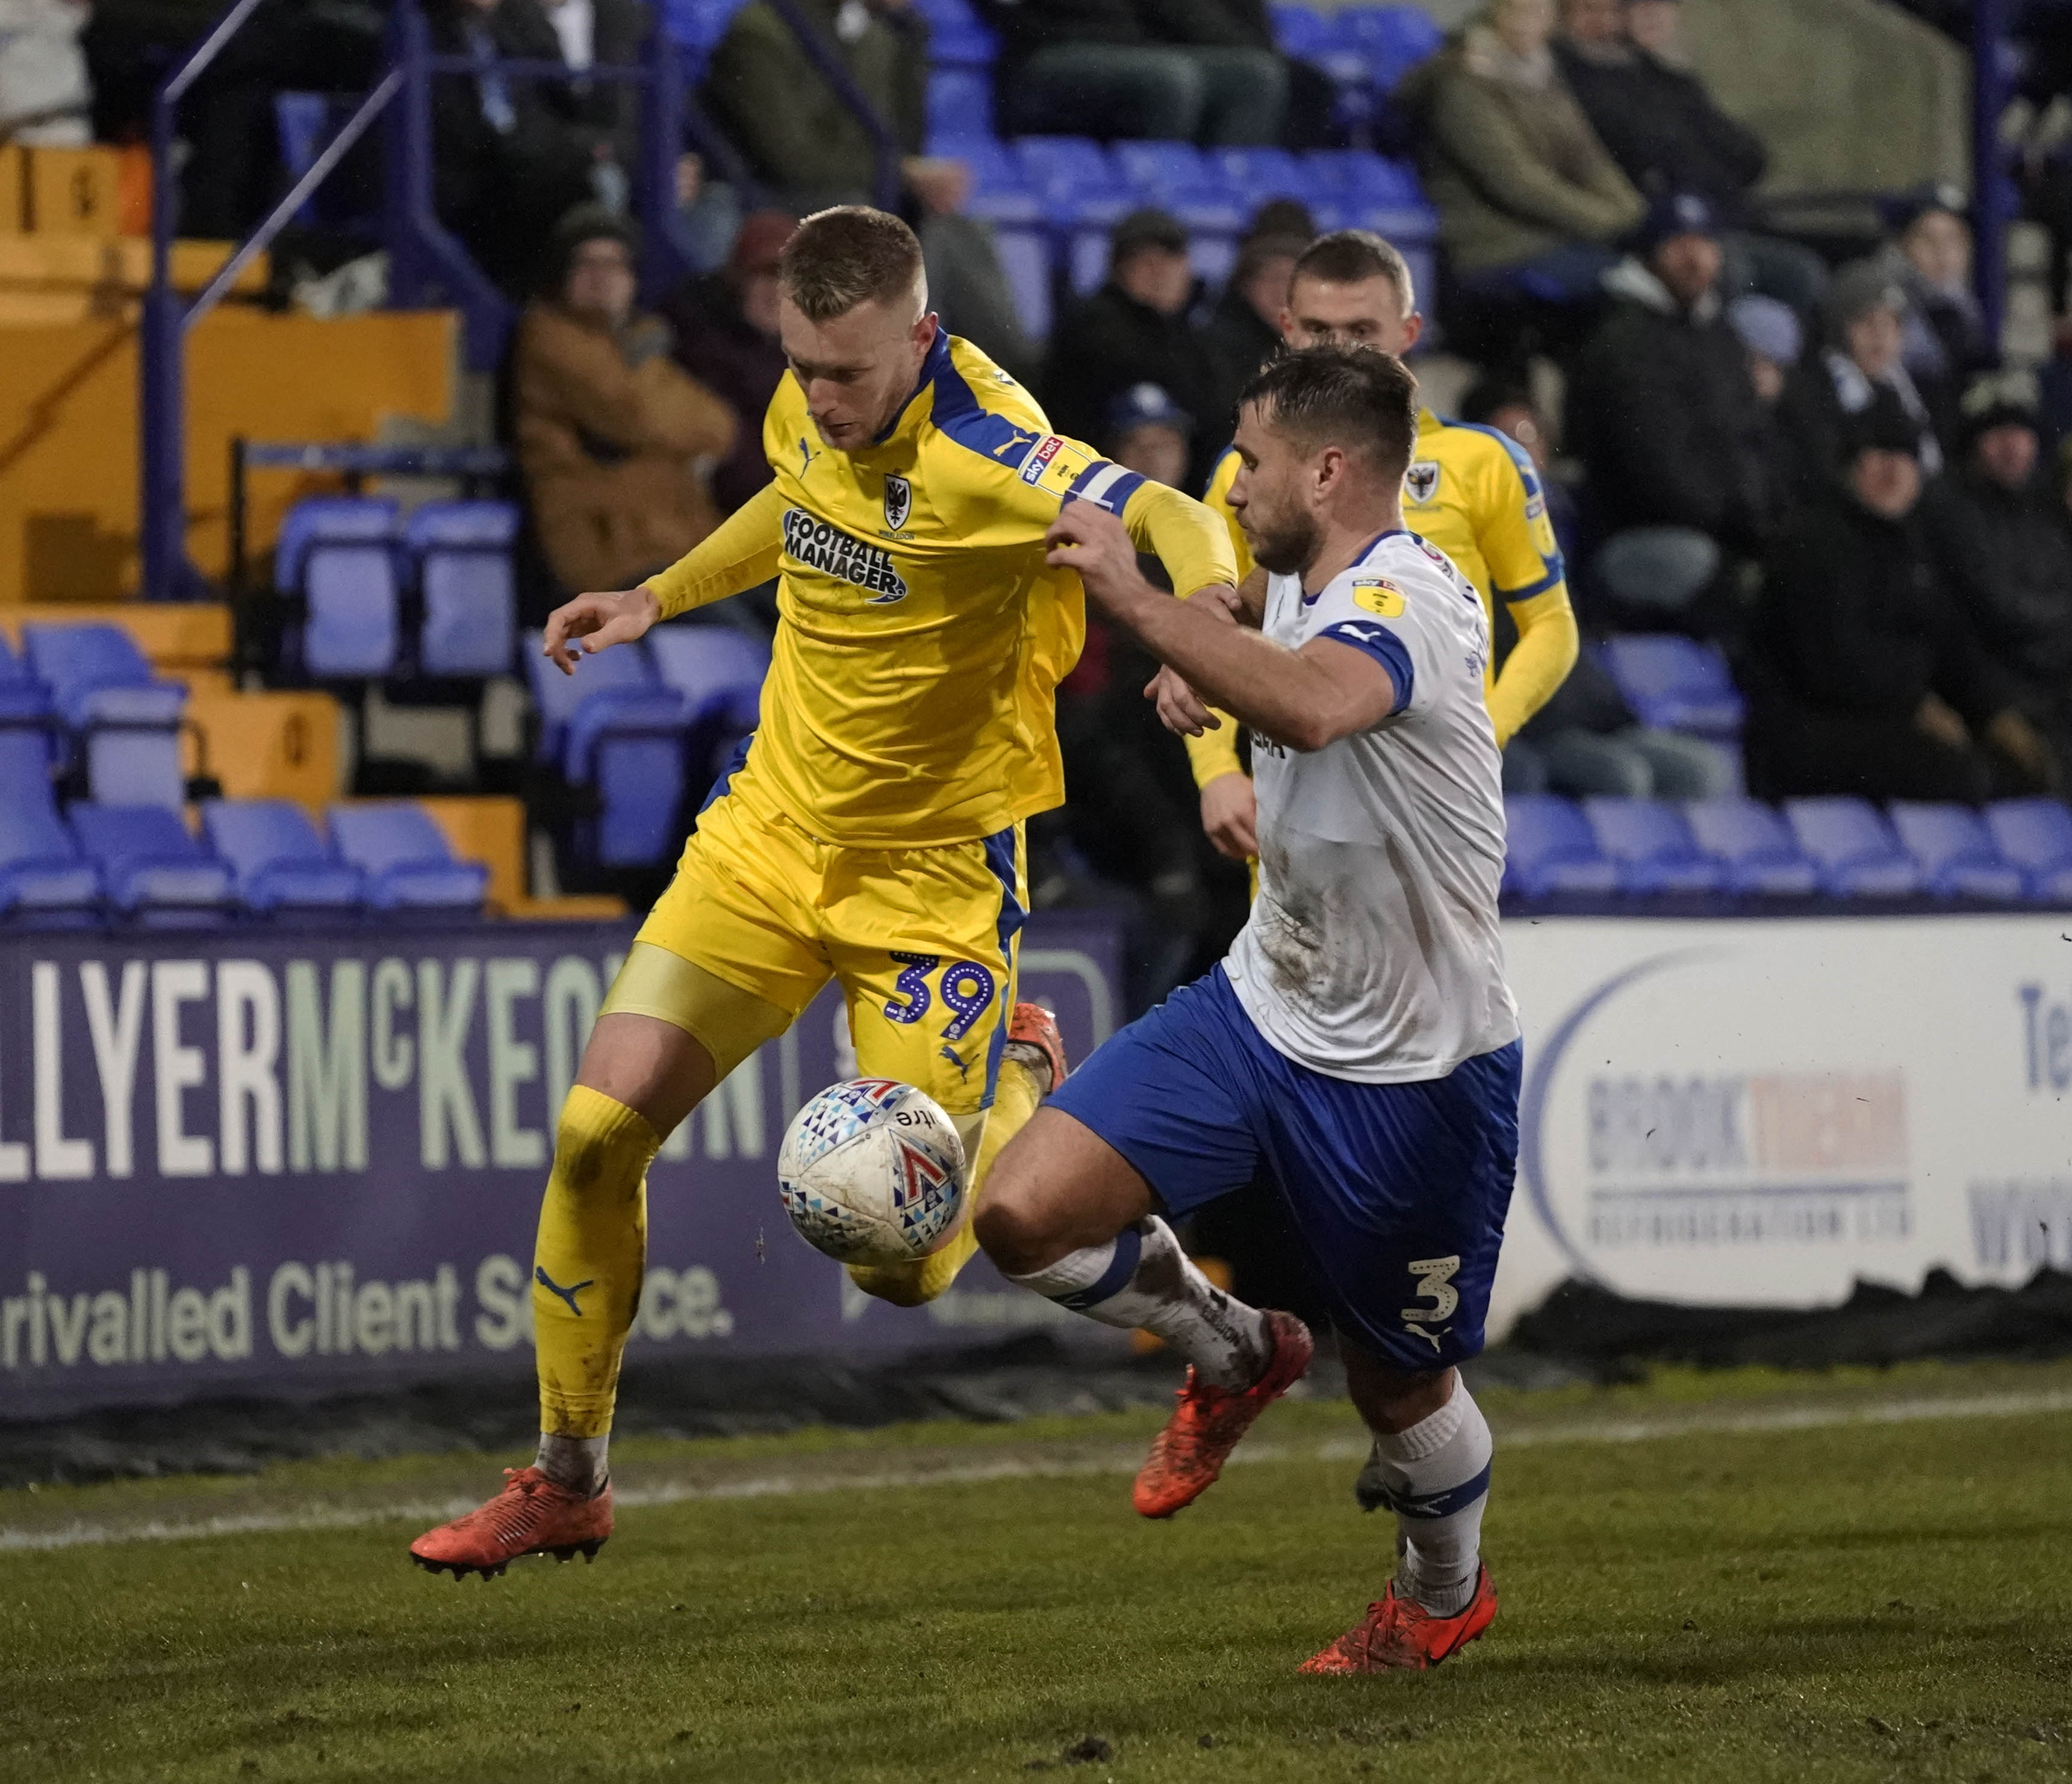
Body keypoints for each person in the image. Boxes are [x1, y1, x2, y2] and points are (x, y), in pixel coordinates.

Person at [409, 205, 1240, 1576]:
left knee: (898, 1265)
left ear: (921, 336)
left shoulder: (991, 445)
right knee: (594, 1136)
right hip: (768, 839)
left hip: (930, 884)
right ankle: (567, 1476)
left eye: (849, 373)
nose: (822, 398)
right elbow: (799, 504)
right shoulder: (814, 402)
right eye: (803, 367)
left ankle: (1019, 1074)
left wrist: (1202, 618)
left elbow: (1171, 510)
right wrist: (658, 595)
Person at [976, 346, 1521, 1675]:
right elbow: (1252, 616)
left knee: (1400, 1386)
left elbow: (1321, 705)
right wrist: (1209, 634)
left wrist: (1139, 603)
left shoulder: (1407, 595)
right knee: (1021, 1214)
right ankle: (1236, 1349)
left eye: (1252, 459)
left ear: (1326, 472)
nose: (1230, 480)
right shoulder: (1299, 579)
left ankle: (1440, 1590)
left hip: (1415, 1072)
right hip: (1260, 1005)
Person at [1189, 229, 1576, 863]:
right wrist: (1216, 773)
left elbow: (1550, 624)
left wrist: (1483, 734)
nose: (1340, 351)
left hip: (1432, 806)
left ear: (1409, 332)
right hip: (1296, 805)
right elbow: (1212, 630)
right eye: (1318, 330)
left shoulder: (1482, 461)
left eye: (1362, 332)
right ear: (1286, 330)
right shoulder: (1241, 473)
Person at [1745, 391, 2053, 803]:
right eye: (1878, 455)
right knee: (1960, 774)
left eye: (1906, 458)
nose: (1893, 471)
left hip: (1888, 721)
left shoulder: (1913, 547)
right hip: (1811, 729)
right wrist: (1914, 704)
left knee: (2033, 768)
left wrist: (1997, 713)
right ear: (1848, 465)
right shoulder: (1813, 543)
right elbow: (1836, 663)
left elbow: (1954, 648)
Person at [705, 0, 1038, 380]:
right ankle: (912, 379)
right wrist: (900, 173)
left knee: (956, 228)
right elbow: (789, 157)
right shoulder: (760, 30)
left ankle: (1014, 381)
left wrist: (912, 42)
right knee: (879, 226)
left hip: (858, 193)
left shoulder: (883, 36)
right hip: (775, 198)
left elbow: (898, 139)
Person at [1460, 373, 1732, 798]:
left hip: (1591, 713)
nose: (1521, 453)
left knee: (1701, 771)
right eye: (1504, 441)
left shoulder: (1569, 520)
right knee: (1623, 776)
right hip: (1535, 727)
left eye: (1529, 437)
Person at [1566, 191, 1780, 630]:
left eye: (1705, 245)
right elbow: (1659, 473)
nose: (1695, 260)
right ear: (1651, 254)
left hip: (1725, 527)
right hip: (1639, 535)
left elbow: (1753, 437)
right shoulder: (1624, 340)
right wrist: (1744, 529)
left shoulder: (1717, 332)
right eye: (1679, 245)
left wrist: (1767, 520)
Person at [512, 205, 739, 601]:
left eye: (615, 265)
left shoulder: (633, 341)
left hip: (673, 543)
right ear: (561, 275)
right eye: (586, 264)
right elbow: (637, 415)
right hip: (609, 553)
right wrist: (645, 362)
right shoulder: (552, 338)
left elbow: (719, 427)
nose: (602, 277)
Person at [1554, 0, 1823, 311]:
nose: (1602, 22)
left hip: (1723, 218)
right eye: (1588, 10)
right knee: (1733, 273)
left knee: (1803, 273)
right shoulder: (1579, 78)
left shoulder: (1660, 73)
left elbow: (1746, 154)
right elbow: (1652, 155)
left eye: (1608, 11)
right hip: (1665, 227)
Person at [1402, 0, 1643, 308]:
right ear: (1495, 12)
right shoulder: (1462, 81)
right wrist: (1608, 222)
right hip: (1493, 244)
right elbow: (1516, 181)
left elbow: (1586, 157)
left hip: (1549, 235)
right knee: (1631, 294)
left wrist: (1631, 213)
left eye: (1536, 12)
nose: (1523, 23)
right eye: (1515, 10)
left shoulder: (1541, 74)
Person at [1924, 371, 2072, 768]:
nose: (2012, 446)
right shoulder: (1950, 507)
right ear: (1974, 441)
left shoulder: (2040, 508)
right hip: (1993, 693)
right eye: (1998, 433)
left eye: (2022, 433)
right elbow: (1998, 608)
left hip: (2049, 684)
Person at [1042, 208, 1222, 492]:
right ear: (1118, 270)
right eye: (1145, 263)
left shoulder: (1199, 331)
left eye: (1171, 261)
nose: (1160, 273)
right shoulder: (1093, 327)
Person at [979, 0, 1287, 146]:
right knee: (1169, 78)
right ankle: (1156, 207)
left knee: (1255, 76)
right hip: (1046, 53)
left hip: (1131, 50)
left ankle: (1218, 202)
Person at [661, 211, 795, 516]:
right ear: (739, 282)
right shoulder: (698, 342)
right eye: (766, 277)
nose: (776, 294)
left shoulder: (802, 353)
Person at [1779, 260, 1944, 503]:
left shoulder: (1897, 385)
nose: (1880, 336)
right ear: (1839, 328)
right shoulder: (1815, 387)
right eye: (1866, 321)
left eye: (1891, 323)